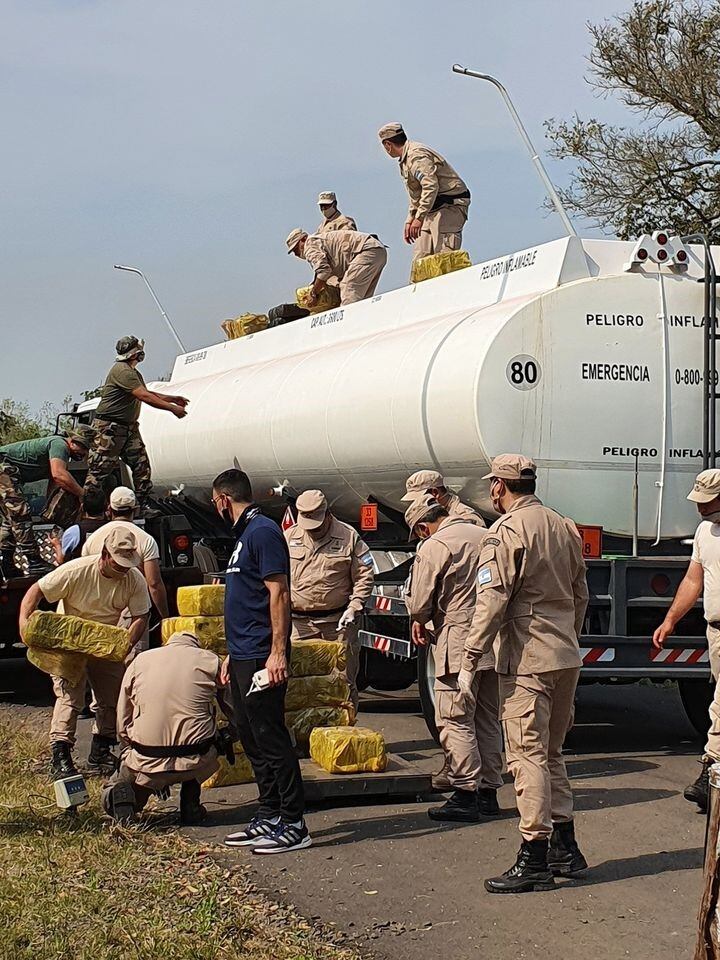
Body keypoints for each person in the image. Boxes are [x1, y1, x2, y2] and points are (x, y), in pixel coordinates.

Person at [461, 455, 589, 894]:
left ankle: (534, 855)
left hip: (528, 657)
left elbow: (491, 600)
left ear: (499, 486)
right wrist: (566, 637)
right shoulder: (563, 525)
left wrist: (470, 655)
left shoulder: (506, 532)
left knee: (526, 755)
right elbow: (580, 593)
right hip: (564, 654)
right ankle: (565, 846)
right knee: (551, 753)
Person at [211, 468, 310, 854]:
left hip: (261, 655)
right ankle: (269, 812)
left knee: (271, 737)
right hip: (242, 654)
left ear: (223, 500)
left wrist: (278, 652)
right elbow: (244, 599)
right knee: (250, 736)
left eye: (215, 503)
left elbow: (279, 594)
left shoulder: (263, 531)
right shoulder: (243, 537)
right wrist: (230, 654)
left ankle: (293, 822)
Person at [18, 528, 150, 779]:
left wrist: (126, 643)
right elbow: (36, 591)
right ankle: (61, 753)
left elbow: (140, 615)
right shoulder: (76, 570)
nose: (122, 569)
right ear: (104, 555)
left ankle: (101, 748)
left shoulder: (134, 579)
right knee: (70, 695)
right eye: (118, 563)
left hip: (106, 640)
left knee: (112, 695)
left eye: (126, 564)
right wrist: (25, 625)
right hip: (68, 639)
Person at [404, 494, 503, 822]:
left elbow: (419, 604)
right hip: (493, 641)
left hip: (458, 642)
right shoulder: (487, 535)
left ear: (422, 527)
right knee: (487, 718)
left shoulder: (434, 546)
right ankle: (489, 791)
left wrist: (420, 618)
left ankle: (465, 792)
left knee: (454, 718)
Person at [102, 630, 231, 825]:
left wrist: (128, 749)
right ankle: (191, 803)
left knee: (124, 780)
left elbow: (123, 715)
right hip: (196, 757)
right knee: (206, 737)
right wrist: (227, 736)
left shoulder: (139, 662)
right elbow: (235, 710)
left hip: (147, 756)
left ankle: (123, 797)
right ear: (196, 646)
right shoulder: (211, 661)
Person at [653, 468, 720, 812]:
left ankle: (709, 774)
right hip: (716, 630)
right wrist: (670, 620)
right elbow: (693, 581)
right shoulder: (705, 532)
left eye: (707, 503)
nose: (700, 508)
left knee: (719, 705)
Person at [285, 489, 374, 713]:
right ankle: (306, 736)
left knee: (342, 681)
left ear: (327, 515)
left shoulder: (349, 536)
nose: (312, 531)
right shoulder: (290, 537)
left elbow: (365, 574)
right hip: (300, 624)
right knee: (299, 682)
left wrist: (355, 607)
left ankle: (344, 734)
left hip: (338, 623)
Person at [84, 336, 189, 511]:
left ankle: (144, 502)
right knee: (99, 470)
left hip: (128, 427)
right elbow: (144, 396)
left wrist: (172, 398)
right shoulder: (123, 371)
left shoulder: (132, 373)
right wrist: (171, 408)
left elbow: (146, 392)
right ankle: (89, 508)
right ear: (136, 354)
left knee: (141, 465)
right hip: (109, 429)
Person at [83, 486, 170, 657]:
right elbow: (154, 583)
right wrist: (165, 616)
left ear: (109, 510)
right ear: (135, 510)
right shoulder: (145, 539)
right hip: (132, 617)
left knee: (101, 671)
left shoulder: (92, 539)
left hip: (98, 614)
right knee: (131, 669)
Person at [0, 426, 97, 575]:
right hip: (3, 467)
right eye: (81, 446)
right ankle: (33, 560)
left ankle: (6, 563)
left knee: (10, 520)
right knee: (20, 512)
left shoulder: (59, 454)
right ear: (71, 441)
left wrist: (50, 507)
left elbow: (55, 481)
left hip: (8, 471)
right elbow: (59, 474)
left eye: (86, 449)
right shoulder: (59, 445)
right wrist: (82, 494)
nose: (83, 453)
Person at [378, 122, 471, 265]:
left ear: (388, 144)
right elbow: (416, 194)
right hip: (431, 210)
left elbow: (430, 186)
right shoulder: (405, 160)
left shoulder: (416, 155)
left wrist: (419, 218)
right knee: (421, 259)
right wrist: (411, 219)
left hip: (449, 206)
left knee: (444, 257)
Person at [286, 228, 387, 307]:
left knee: (349, 289)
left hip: (366, 251)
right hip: (377, 250)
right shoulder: (318, 241)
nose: (296, 254)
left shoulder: (309, 245)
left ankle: (348, 327)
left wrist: (313, 293)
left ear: (303, 239)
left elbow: (324, 272)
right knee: (362, 300)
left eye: (296, 249)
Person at [401, 469, 485, 527]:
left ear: (435, 493)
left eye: (421, 499)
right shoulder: (429, 515)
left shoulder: (466, 516)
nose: (417, 503)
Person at [53, 487, 108, 564]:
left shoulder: (73, 531)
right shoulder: (112, 529)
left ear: (82, 507)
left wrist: (57, 544)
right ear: (106, 507)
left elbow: (62, 561)